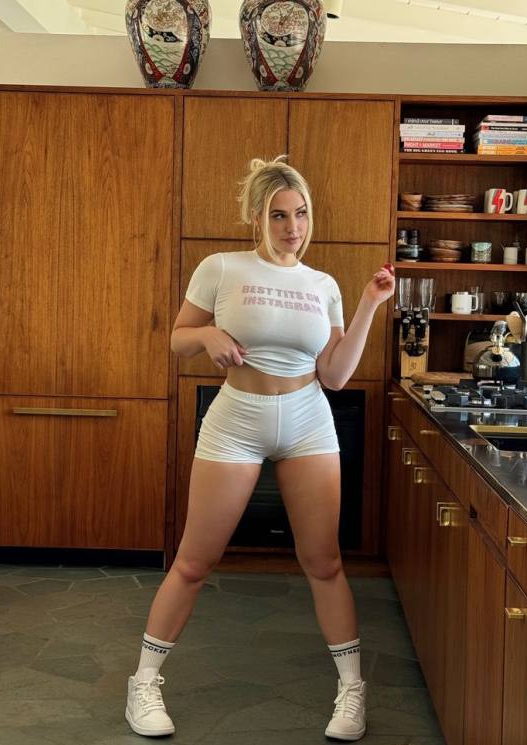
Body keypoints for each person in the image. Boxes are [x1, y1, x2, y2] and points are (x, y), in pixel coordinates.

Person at [125, 155, 395, 741]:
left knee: (324, 562)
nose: (292, 227)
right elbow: (178, 340)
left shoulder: (322, 286)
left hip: (307, 419)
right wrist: (207, 334)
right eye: (278, 215)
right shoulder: (221, 268)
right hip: (236, 419)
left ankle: (352, 692)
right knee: (194, 561)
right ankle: (143, 683)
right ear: (257, 217)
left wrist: (370, 304)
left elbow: (335, 375)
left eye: (300, 214)